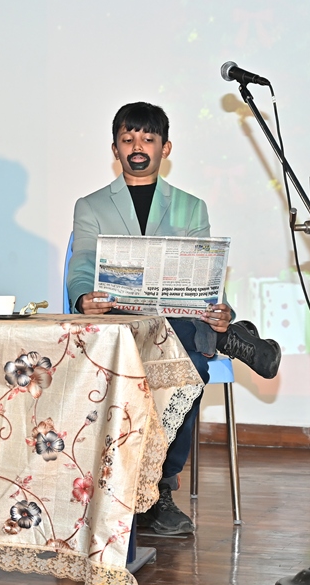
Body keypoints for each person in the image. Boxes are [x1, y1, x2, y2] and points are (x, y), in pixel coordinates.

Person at [68, 102, 280, 536]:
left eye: (148, 139)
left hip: (175, 318)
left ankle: (160, 488)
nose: (138, 147)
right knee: (186, 353)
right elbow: (83, 262)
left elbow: (206, 272)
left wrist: (218, 308)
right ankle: (233, 340)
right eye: (128, 139)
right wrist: (82, 296)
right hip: (122, 320)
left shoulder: (190, 206)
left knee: (189, 365)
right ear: (115, 148)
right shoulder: (90, 205)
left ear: (165, 148)